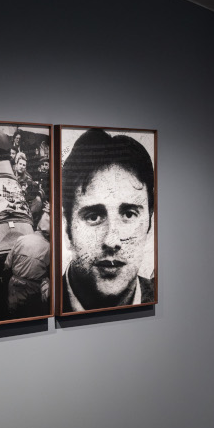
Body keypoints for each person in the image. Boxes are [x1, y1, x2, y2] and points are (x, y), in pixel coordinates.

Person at [60, 128, 155, 312]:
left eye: (129, 214)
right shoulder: (29, 309)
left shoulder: (175, 300)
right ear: (66, 228)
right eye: (93, 217)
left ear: (149, 224)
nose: (112, 241)